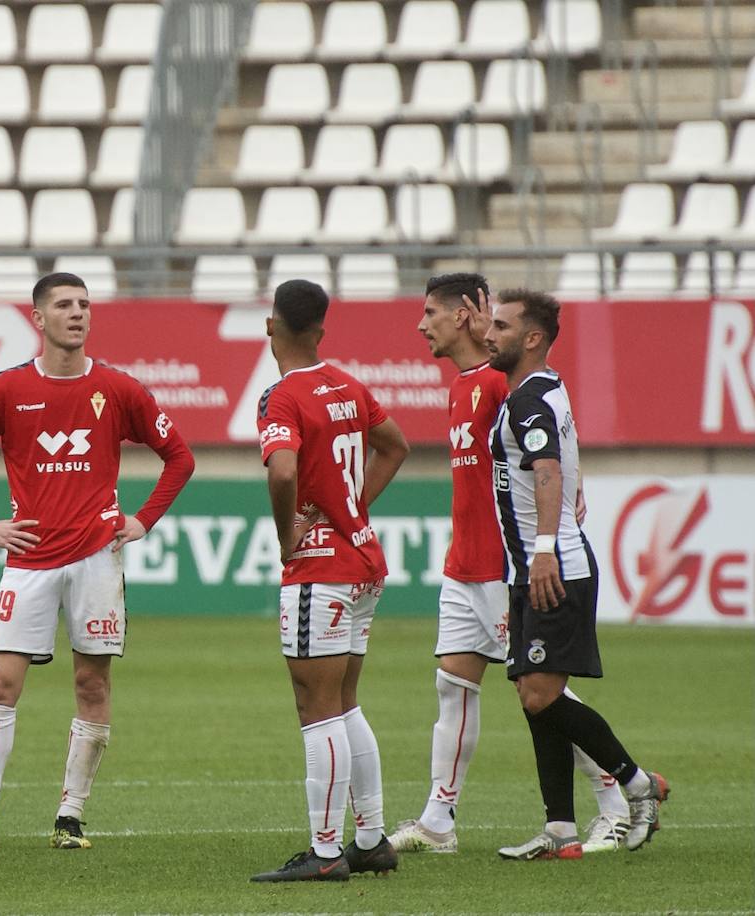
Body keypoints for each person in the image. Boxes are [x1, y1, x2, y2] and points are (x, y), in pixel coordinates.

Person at [0, 272, 195, 853]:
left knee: (91, 683)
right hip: (30, 561)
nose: (77, 314)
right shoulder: (5, 389)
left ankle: (70, 817)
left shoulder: (120, 390)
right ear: (38, 319)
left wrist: (142, 520)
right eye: (64, 306)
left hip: (98, 558)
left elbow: (179, 457)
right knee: (0, 683)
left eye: (84, 305)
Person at [390, 274, 635, 856]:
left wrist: (562, 507)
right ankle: (438, 821)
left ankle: (617, 798)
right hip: (463, 563)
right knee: (454, 685)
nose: (421, 325)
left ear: (468, 313)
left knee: (541, 687)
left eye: (431, 312)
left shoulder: (503, 385)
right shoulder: (461, 387)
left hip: (507, 567)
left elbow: (548, 446)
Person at [483, 289, 669, 861]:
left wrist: (542, 550)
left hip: (553, 568)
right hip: (536, 565)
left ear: (532, 338)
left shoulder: (527, 403)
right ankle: (559, 829)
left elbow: (546, 468)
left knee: (542, 693)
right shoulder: (545, 388)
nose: (490, 335)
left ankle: (638, 786)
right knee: (531, 693)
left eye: (501, 326)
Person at [250, 279, 410, 884]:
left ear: (272, 326)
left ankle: (324, 854)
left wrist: (290, 534)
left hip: (321, 569)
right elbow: (394, 446)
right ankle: (369, 840)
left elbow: (282, 470)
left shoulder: (280, 396)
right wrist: (353, 509)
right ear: (321, 328)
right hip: (364, 562)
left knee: (314, 705)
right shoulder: (346, 383)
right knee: (343, 701)